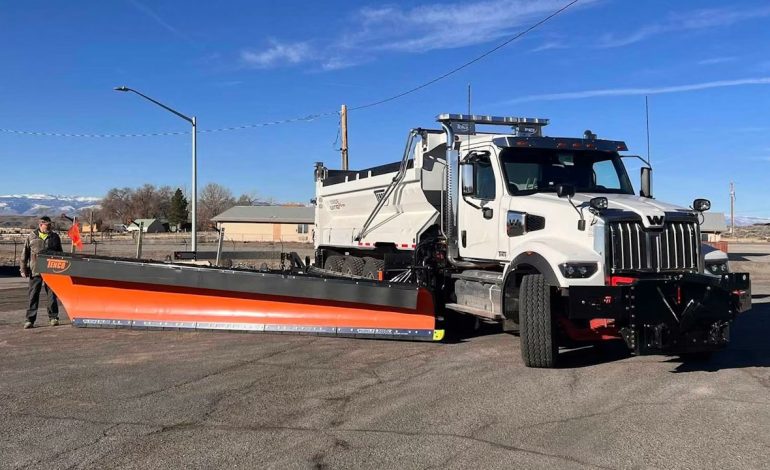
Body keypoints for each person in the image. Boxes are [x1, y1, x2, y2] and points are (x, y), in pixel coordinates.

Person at [20, 216, 63, 329]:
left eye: (50, 225)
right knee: (33, 295)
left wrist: (62, 269)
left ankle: (53, 317)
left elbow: (60, 254)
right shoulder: (31, 236)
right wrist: (23, 269)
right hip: (35, 271)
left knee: (52, 296)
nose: (49, 227)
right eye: (47, 225)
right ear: (40, 225)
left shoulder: (55, 237)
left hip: (51, 270)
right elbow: (25, 254)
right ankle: (30, 320)